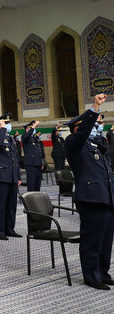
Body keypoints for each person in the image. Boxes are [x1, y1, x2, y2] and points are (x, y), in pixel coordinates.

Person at [64, 94, 114, 290]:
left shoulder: (96, 146)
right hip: (91, 198)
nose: (95, 127)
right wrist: (94, 107)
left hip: (106, 196)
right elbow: (83, 132)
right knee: (92, 240)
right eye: (92, 125)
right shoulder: (73, 144)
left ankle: (102, 272)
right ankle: (91, 276)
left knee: (106, 239)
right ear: (78, 129)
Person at [0, 113, 22, 240]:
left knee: (11, 205)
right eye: (5, 123)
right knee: (1, 205)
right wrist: (2, 129)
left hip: (12, 176)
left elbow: (15, 159)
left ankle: (10, 228)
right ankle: (0, 231)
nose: (8, 126)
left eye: (8, 124)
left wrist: (18, 176)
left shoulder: (10, 139)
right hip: (1, 176)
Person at [22, 120, 42, 192]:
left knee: (37, 184)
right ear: (26, 130)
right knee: (31, 184)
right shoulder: (24, 137)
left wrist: (40, 163)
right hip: (31, 164)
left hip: (37, 164)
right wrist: (33, 126)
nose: (32, 130)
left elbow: (38, 152)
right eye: (29, 128)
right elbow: (27, 135)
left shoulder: (34, 139)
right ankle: (31, 200)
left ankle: (36, 199)